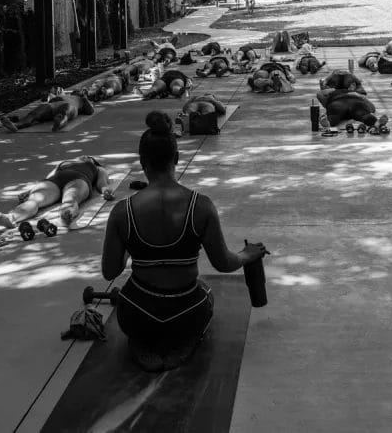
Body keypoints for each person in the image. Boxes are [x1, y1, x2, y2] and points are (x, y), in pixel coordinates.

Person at [102, 112, 269, 372]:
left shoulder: (123, 211)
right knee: (203, 294)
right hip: (186, 312)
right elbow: (224, 263)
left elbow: (110, 271)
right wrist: (248, 254)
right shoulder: (200, 206)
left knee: (134, 303)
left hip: (137, 312)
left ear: (142, 162)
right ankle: (182, 341)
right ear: (177, 159)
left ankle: (143, 342)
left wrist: (127, 244)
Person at [0, 156, 114, 234]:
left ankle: (67, 213)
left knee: (70, 199)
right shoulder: (63, 163)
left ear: (93, 160)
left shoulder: (97, 168)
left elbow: (102, 182)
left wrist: (105, 191)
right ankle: (10, 218)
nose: (84, 156)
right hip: (55, 181)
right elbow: (48, 179)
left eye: (89, 157)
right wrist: (30, 191)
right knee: (34, 200)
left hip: (79, 179)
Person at [2, 87, 94, 132]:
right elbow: (47, 98)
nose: (77, 91)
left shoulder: (81, 100)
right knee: (35, 114)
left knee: (64, 113)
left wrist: (84, 97)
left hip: (70, 106)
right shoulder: (62, 95)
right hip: (53, 105)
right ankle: (16, 125)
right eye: (76, 90)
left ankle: (58, 123)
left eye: (79, 91)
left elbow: (90, 111)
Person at [318, 90, 389, 135]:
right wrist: (362, 97)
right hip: (356, 102)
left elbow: (320, 94)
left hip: (337, 102)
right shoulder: (356, 92)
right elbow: (372, 109)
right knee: (363, 114)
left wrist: (327, 107)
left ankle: (328, 123)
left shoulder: (332, 93)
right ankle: (377, 123)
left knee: (335, 114)